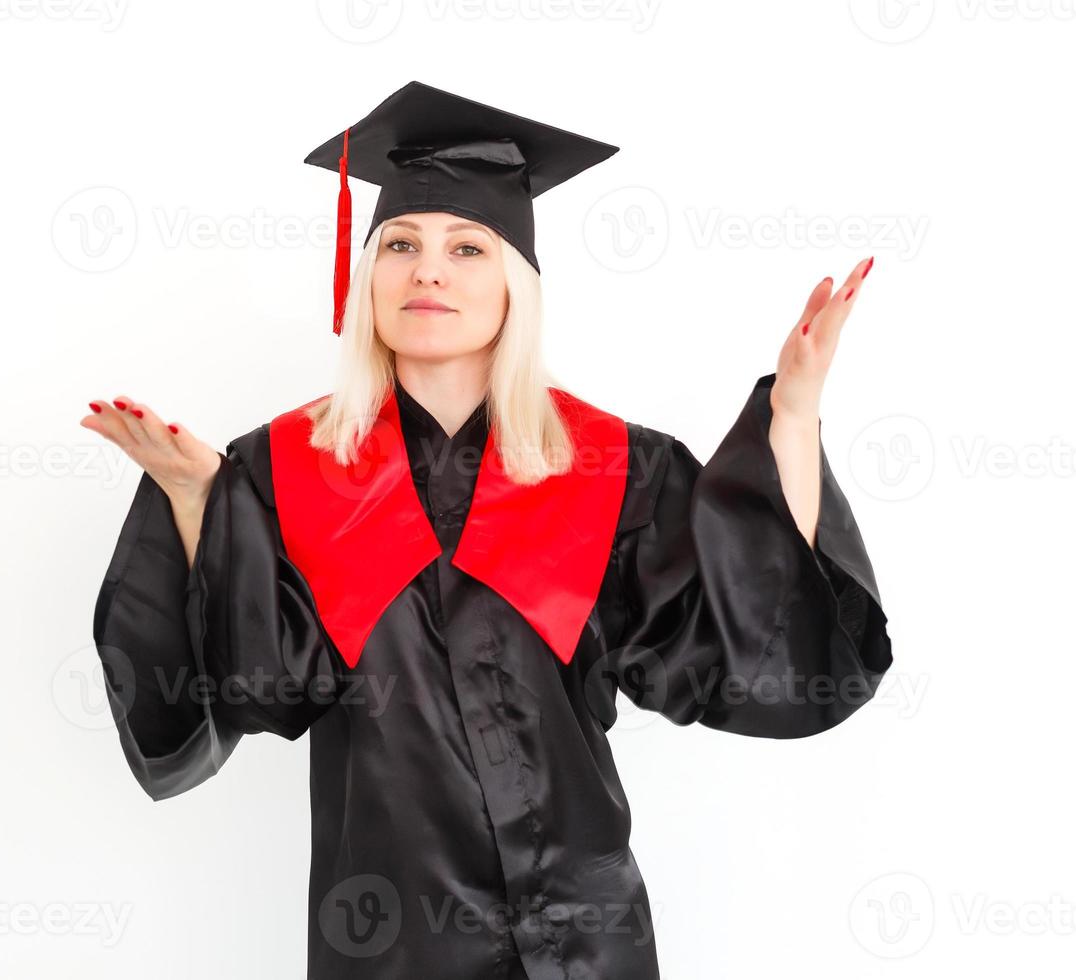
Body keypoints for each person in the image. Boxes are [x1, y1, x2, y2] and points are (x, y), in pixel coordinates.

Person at [80, 80, 893, 980]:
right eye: (400, 244)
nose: (429, 270)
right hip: (386, 944)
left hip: (587, 947)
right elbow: (263, 689)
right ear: (367, 279)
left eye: (467, 246)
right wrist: (200, 503)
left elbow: (743, 651)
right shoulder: (276, 472)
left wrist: (792, 417)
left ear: (516, 286)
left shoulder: (617, 467)